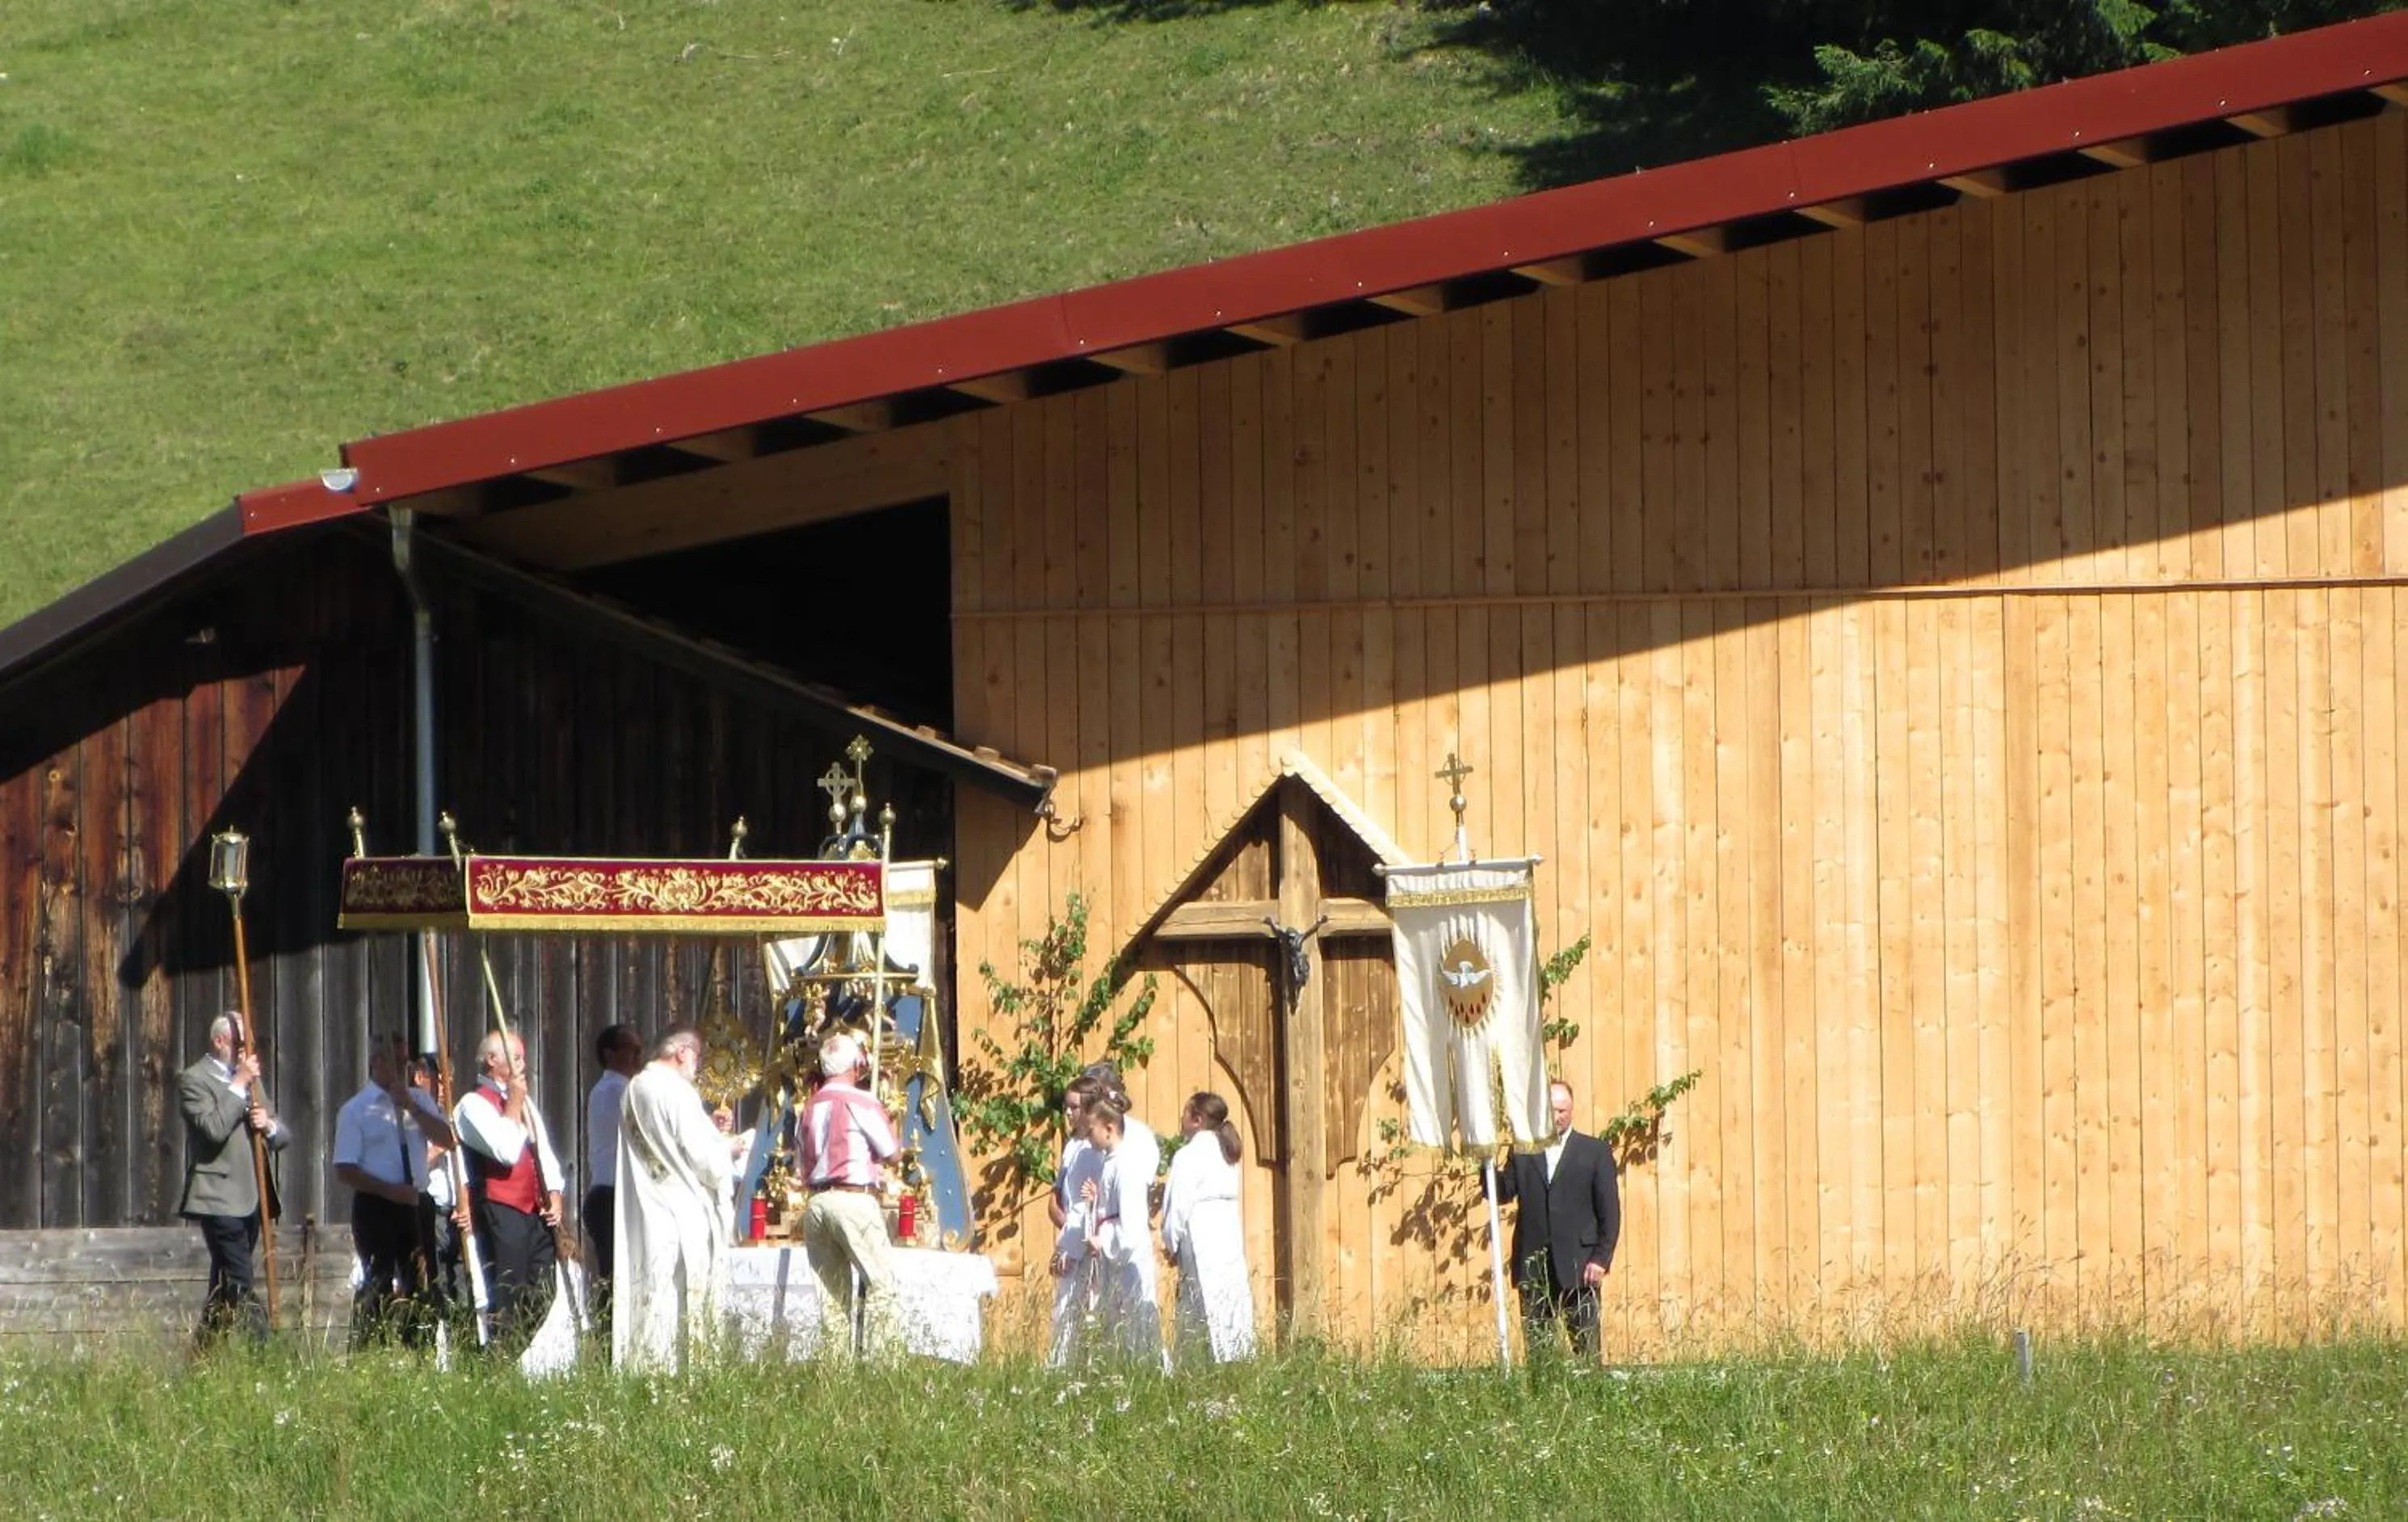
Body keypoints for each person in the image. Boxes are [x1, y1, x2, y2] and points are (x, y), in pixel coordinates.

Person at [612, 1027, 750, 1373]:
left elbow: (668, 1142)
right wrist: (730, 1149)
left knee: (652, 1292)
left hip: (647, 1205)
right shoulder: (677, 1091)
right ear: (683, 1052)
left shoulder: (634, 1089)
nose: (697, 1065)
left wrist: (710, 1129)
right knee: (678, 1297)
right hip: (682, 1210)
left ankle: (647, 1371)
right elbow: (704, 1160)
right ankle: (685, 1375)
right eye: (697, 1056)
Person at [330, 1041, 456, 1348]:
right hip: (377, 1204)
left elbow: (448, 1139)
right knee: (379, 1279)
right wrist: (389, 1191)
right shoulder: (357, 1109)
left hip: (417, 1201)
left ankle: (419, 1349)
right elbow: (345, 1169)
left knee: (422, 1279)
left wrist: (411, 1107)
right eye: (395, 1062)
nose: (402, 1070)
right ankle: (370, 1350)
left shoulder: (419, 1100)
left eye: (405, 1063)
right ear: (377, 1062)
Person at [179, 1012, 289, 1348]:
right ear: (220, 1041)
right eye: (241, 1044)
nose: (246, 1051)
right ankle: (266, 1353)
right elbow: (213, 1129)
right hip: (218, 1198)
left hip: (251, 1196)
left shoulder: (251, 1080)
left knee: (224, 1285)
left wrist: (268, 1125)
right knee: (241, 1278)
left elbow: (282, 1134)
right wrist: (238, 1084)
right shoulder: (194, 1080)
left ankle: (203, 1358)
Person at [454, 1029, 567, 1356]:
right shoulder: (472, 1105)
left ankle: (502, 1356)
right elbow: (505, 1150)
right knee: (508, 1292)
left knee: (543, 1290)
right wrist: (514, 1101)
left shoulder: (523, 1102)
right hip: (501, 1207)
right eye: (515, 1058)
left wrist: (554, 1192)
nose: (522, 1065)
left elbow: (542, 1149)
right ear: (492, 1060)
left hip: (534, 1209)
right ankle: (497, 1361)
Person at [1495, 1078, 1620, 1359]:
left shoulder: (1595, 1152)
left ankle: (1589, 1390)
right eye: (1551, 1110)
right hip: (1535, 1267)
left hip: (1580, 1267)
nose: (1557, 1116)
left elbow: (1610, 1212)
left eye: (1562, 1110)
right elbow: (1503, 1193)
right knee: (1539, 1354)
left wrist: (1601, 1258)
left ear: (1572, 1110)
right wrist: (1486, 1166)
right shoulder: (1523, 1150)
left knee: (1587, 1352)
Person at [798, 1030, 899, 1361]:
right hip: (853, 1198)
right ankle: (882, 1366)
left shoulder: (809, 1107)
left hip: (817, 1202)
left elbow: (802, 1162)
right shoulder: (861, 1102)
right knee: (880, 1285)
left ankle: (835, 1372)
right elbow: (892, 1152)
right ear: (856, 1065)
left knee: (831, 1297)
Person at [1160, 1091, 1255, 1364]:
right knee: (1230, 1299)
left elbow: (1177, 1206)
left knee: (1201, 1303)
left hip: (1200, 1234)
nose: (1181, 1118)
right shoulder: (1227, 1153)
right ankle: (1235, 1358)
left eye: (1185, 1112)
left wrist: (1171, 1243)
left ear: (1197, 1119)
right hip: (1226, 1233)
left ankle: (1201, 1363)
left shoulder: (1188, 1155)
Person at [1080, 1090, 1166, 1370]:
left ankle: (1145, 1374)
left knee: (1134, 1326)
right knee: (1115, 1327)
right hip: (1115, 1262)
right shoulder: (1112, 1162)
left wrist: (1103, 1239)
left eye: (1091, 1130)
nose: (1088, 1137)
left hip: (1128, 1262)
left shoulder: (1126, 1165)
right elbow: (1111, 1211)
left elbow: (1130, 1224)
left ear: (1109, 1128)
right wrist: (1096, 1202)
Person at [584, 1023, 643, 1337]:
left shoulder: (617, 1089)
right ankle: (611, 1341)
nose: (638, 1058)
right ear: (610, 1055)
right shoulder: (616, 1091)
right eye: (632, 1051)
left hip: (615, 1193)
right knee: (616, 1276)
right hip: (612, 1194)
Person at [1045, 1074, 1105, 1368]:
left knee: (1089, 1313)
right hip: (1071, 1235)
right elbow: (1061, 1196)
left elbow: (1091, 1204)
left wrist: (1072, 1246)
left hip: (1088, 1242)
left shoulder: (1096, 1150)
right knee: (1065, 1314)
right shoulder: (1072, 1146)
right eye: (1066, 1107)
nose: (1068, 1113)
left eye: (1075, 1107)